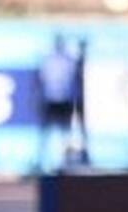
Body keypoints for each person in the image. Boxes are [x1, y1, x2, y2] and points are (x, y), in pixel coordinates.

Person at [38, 36, 79, 173]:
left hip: (65, 101)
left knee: (65, 134)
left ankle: (66, 163)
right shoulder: (48, 60)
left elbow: (74, 80)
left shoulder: (69, 60)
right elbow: (41, 81)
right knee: (46, 133)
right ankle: (43, 163)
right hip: (51, 100)